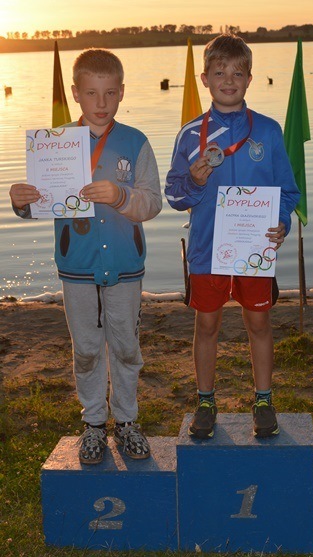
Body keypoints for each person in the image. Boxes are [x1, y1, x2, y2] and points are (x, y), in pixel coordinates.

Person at [10, 48, 162, 464]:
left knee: (126, 347)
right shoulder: (53, 144)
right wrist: (22, 201)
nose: (101, 103)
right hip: (76, 268)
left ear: (122, 92)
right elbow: (40, 204)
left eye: (110, 93)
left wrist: (121, 196)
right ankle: (94, 422)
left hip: (125, 268)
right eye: (92, 93)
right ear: (76, 93)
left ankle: (126, 420)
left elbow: (152, 202)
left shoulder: (135, 142)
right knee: (87, 350)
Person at [165, 34, 300, 439]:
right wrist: (194, 181)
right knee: (207, 325)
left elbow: (288, 191)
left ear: (249, 79)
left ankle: (263, 399)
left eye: (237, 73)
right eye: (219, 72)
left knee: (258, 323)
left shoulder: (268, 131)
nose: (228, 80)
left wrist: (281, 223)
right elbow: (174, 196)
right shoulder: (190, 135)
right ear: (204, 79)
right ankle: (206, 401)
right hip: (207, 250)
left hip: (255, 251)